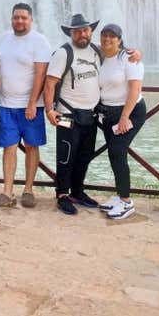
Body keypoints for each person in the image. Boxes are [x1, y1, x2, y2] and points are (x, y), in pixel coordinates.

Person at [0, 3, 52, 208]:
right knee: (9, 147)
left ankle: (28, 189)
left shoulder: (39, 41)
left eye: (24, 18)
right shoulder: (4, 38)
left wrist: (33, 103)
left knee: (32, 146)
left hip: (31, 106)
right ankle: (7, 192)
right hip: (7, 105)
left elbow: (41, 74)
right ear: (11, 18)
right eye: (16, 17)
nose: (19, 21)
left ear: (31, 20)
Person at [43, 13, 103, 215]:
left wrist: (135, 54)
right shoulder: (63, 53)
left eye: (85, 30)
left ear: (91, 31)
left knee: (85, 155)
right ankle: (62, 194)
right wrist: (50, 110)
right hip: (67, 114)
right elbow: (50, 83)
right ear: (71, 33)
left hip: (91, 114)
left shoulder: (96, 51)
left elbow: (118, 54)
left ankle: (77, 191)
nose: (82, 34)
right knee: (66, 155)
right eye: (77, 31)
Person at [96, 24, 146, 220]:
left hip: (130, 112)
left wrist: (125, 116)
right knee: (113, 154)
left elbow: (134, 90)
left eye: (112, 36)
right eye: (104, 35)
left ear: (119, 39)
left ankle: (126, 202)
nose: (108, 39)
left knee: (118, 151)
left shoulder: (129, 58)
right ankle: (119, 196)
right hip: (108, 113)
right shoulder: (98, 56)